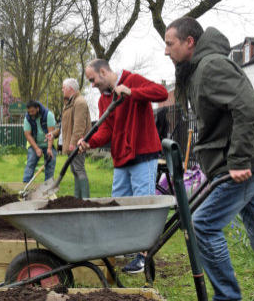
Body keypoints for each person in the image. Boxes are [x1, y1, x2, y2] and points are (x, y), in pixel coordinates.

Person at [165, 17, 254, 301]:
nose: (166, 51)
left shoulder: (212, 67)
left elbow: (247, 109)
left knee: (202, 225)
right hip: (246, 163)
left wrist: (238, 161)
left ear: (190, 42)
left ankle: (226, 297)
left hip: (245, 165)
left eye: (169, 43)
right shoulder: (199, 69)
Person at [78, 59, 168, 273]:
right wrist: (90, 142)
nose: (92, 85)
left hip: (143, 154)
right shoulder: (103, 100)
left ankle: (143, 256)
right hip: (121, 158)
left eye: (93, 80)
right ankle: (127, 246)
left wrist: (132, 92)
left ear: (103, 72)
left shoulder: (132, 80)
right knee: (117, 205)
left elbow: (161, 93)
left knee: (141, 206)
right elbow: (106, 129)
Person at [47, 78, 91, 198]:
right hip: (72, 144)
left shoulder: (79, 103)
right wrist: (54, 134)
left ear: (70, 89)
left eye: (63, 87)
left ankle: (85, 199)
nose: (62, 90)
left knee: (79, 169)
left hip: (78, 145)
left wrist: (73, 144)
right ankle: (78, 198)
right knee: (75, 171)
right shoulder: (69, 104)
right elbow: (64, 127)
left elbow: (79, 126)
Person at [22, 100, 57, 183]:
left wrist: (49, 149)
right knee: (31, 161)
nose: (31, 113)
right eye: (29, 112)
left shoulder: (48, 115)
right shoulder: (27, 118)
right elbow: (27, 134)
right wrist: (37, 148)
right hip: (35, 144)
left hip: (48, 143)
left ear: (37, 109)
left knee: (50, 163)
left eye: (33, 111)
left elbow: (51, 133)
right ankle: (25, 185)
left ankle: (47, 186)